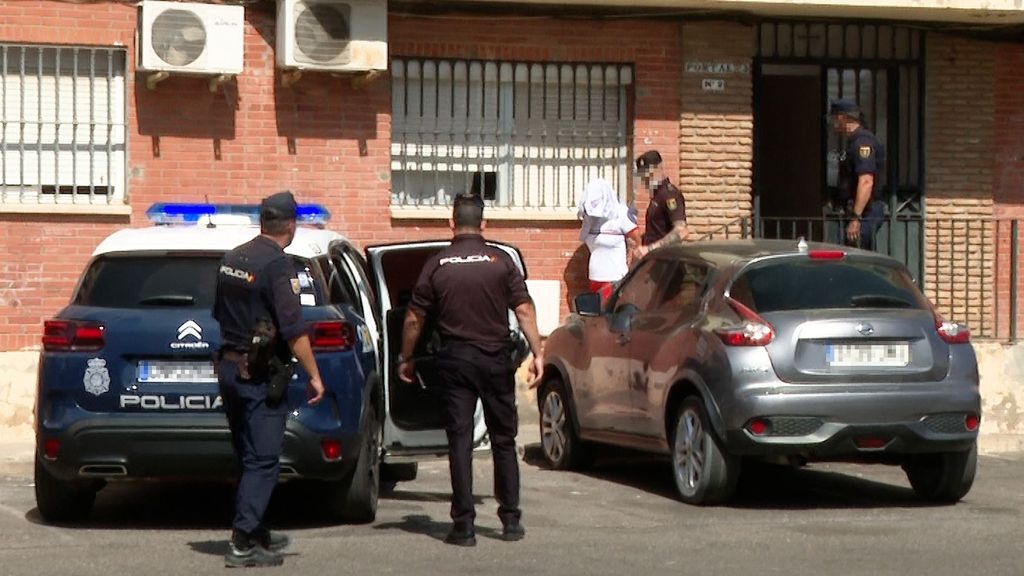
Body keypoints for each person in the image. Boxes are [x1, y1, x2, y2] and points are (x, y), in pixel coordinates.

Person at [398, 192, 544, 547]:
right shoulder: (500, 260)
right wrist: (538, 352)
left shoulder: (438, 264)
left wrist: (405, 356)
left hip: (455, 362)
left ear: (451, 223)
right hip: (495, 361)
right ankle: (510, 521)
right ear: (484, 224)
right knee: (504, 440)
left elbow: (415, 317)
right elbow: (523, 309)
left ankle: (463, 526)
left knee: (460, 442)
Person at [213, 190, 325, 568]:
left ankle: (257, 528)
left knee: (246, 455)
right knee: (263, 459)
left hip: (229, 368)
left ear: (263, 221)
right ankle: (242, 541)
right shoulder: (278, 265)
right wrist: (314, 375)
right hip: (259, 374)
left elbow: (218, 312)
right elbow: (294, 330)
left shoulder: (233, 258)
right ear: (290, 225)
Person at [829, 99, 886, 250]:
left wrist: (856, 218)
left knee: (853, 253)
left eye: (834, 117)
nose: (832, 122)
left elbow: (866, 180)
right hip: (859, 211)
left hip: (867, 211)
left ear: (842, 117)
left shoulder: (862, 142)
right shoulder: (853, 142)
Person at [577, 178, 640, 303]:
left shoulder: (620, 213)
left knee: (610, 314)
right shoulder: (590, 217)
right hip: (595, 277)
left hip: (615, 278)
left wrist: (632, 262)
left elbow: (636, 238)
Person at [633, 150, 688, 260]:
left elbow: (682, 231)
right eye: (643, 175)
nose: (645, 178)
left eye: (648, 173)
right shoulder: (657, 195)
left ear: (659, 168)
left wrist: (650, 248)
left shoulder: (670, 194)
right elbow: (658, 231)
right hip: (656, 262)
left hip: (668, 263)